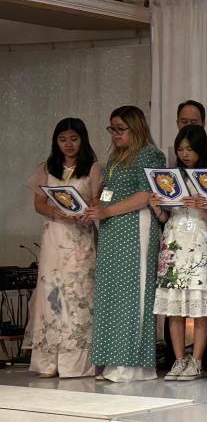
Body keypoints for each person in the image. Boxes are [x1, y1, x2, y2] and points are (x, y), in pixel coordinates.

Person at [86, 106, 166, 382]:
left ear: (136, 128)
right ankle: (112, 360)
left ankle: (132, 363)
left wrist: (107, 210)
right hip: (112, 228)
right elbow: (110, 192)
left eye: (121, 129)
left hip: (135, 226)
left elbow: (146, 194)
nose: (116, 134)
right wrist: (97, 206)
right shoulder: (115, 157)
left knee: (132, 292)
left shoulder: (150, 154)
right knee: (111, 292)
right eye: (113, 129)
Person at [24, 118, 102, 378]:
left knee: (78, 293)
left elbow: (97, 202)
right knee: (52, 293)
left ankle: (75, 362)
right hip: (54, 236)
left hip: (80, 237)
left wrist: (84, 212)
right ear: (56, 141)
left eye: (74, 139)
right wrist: (56, 212)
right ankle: (48, 361)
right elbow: (38, 204)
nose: (68, 144)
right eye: (63, 139)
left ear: (83, 140)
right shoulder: (47, 167)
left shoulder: (93, 168)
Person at [150, 125, 207, 382]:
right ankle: (178, 360)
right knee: (173, 305)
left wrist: (202, 207)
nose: (185, 154)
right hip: (174, 240)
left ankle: (197, 360)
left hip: (199, 241)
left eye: (189, 149)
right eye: (180, 149)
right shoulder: (171, 176)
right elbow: (166, 217)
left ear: (200, 149)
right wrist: (158, 208)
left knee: (200, 305)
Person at [166, 100, 207, 166]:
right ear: (177, 123)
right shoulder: (168, 155)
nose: (189, 126)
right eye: (184, 122)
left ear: (203, 124)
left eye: (194, 123)